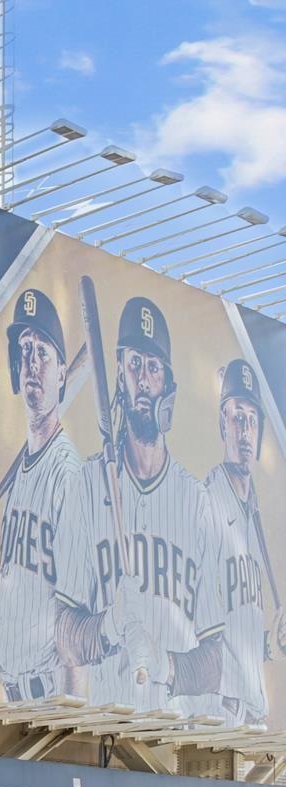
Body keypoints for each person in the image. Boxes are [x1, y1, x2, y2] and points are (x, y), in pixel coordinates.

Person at [0, 287, 101, 703]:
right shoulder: (22, 476)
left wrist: (72, 718)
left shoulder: (67, 474)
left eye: (43, 352)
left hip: (53, 699)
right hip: (14, 699)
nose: (32, 363)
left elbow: (76, 621)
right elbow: (19, 623)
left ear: (63, 373)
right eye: (25, 350)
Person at [80, 295, 214, 714]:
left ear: (167, 385)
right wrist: (108, 625)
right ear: (118, 372)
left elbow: (217, 659)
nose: (142, 378)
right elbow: (61, 628)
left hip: (180, 735)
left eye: (153, 367)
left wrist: (166, 666)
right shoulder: (87, 482)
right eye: (134, 363)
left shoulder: (195, 501)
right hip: (99, 731)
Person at [200, 356, 280, 727]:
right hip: (221, 711)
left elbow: (241, 629)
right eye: (237, 418)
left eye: (252, 419)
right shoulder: (206, 501)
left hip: (254, 713)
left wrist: (272, 644)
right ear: (222, 425)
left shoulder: (255, 515)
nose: (245, 430)